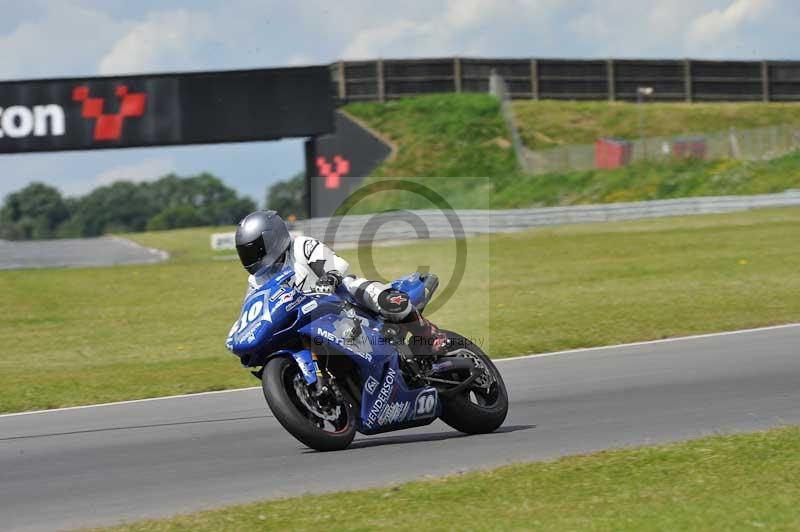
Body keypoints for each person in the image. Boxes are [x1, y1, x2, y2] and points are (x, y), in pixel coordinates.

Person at [233, 210, 448, 354]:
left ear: (271, 239)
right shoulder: (256, 279)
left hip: (340, 302)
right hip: (305, 323)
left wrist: (330, 277)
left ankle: (429, 335)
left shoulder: (301, 246)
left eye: (254, 249)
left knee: (357, 287)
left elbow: (336, 265)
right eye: (245, 252)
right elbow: (253, 309)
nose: (250, 257)